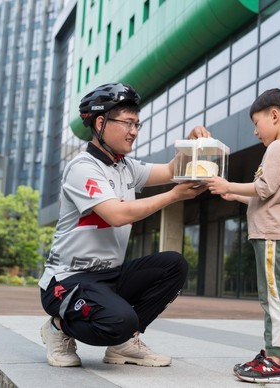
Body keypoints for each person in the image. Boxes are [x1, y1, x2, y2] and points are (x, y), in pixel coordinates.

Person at [38, 82, 209, 368]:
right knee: (120, 319)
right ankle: (58, 327)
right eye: (128, 123)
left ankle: (123, 343)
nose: (134, 131)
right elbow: (117, 214)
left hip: (110, 276)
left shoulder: (126, 167)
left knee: (173, 265)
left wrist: (192, 145)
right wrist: (174, 196)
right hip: (68, 281)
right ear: (101, 123)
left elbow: (170, 170)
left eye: (137, 124)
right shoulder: (83, 168)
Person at [205, 88, 280, 384]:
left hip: (272, 232)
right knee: (270, 295)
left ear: (274, 115)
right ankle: (272, 354)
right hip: (273, 230)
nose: (255, 131)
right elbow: (267, 195)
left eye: (257, 123)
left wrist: (228, 183)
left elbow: (263, 188)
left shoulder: (278, 149)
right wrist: (233, 194)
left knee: (273, 297)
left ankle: (276, 361)